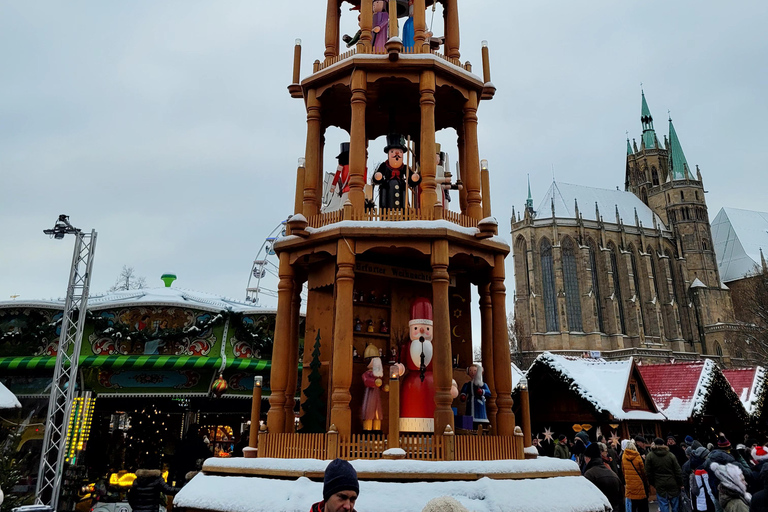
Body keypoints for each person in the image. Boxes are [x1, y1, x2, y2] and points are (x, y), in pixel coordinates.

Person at [583, 442, 624, 512]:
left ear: (588, 458)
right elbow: (621, 500)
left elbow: (587, 501)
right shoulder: (613, 474)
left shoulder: (589, 475)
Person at [646, 437, 683, 512]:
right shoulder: (670, 455)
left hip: (659, 484)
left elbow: (648, 472)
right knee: (675, 506)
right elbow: (677, 470)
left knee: (663, 505)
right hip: (673, 483)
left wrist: (653, 483)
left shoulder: (650, 456)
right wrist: (680, 483)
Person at [459, 364, 491, 428]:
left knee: (479, 420)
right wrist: (463, 395)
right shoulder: (468, 384)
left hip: (479, 404)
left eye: (475, 371)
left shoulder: (483, 384)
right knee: (469, 418)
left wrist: (482, 392)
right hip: (470, 403)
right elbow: (464, 391)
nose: (472, 372)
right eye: (470, 370)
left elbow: (489, 393)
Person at [623, 440, 650, 512]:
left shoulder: (624, 457)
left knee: (633, 506)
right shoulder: (638, 456)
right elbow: (643, 471)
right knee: (642, 505)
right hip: (639, 484)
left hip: (630, 486)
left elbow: (623, 471)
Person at [361, 348, 384, 431]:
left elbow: (381, 383)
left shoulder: (378, 374)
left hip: (377, 397)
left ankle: (377, 430)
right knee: (369, 413)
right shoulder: (366, 374)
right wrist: (375, 382)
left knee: (378, 414)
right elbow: (367, 381)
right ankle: (367, 429)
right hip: (370, 396)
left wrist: (384, 387)